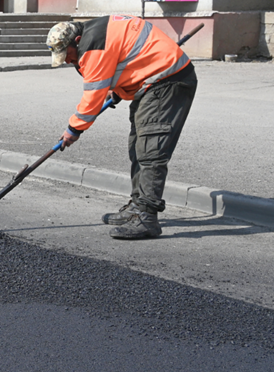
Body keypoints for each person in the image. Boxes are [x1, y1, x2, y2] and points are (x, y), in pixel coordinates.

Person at [46, 15, 197, 240]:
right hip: (152, 81)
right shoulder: (93, 34)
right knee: (137, 147)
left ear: (76, 40)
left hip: (167, 82)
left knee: (150, 150)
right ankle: (137, 206)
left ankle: (146, 217)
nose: (67, 61)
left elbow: (92, 97)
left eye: (66, 54)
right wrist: (118, 89)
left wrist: (73, 130)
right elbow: (126, 57)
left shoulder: (93, 47)